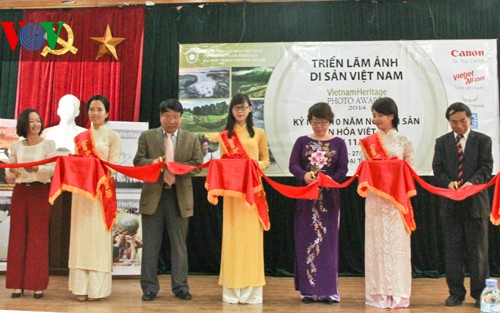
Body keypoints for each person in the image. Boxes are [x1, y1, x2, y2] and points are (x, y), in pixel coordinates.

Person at [133, 99, 202, 302]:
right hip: (154, 196)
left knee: (179, 246)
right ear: (160, 117)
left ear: (181, 118)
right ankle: (149, 287)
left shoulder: (191, 138)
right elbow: (138, 161)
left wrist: (177, 167)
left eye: (175, 116)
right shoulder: (148, 136)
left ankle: (180, 286)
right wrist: (153, 163)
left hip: (179, 196)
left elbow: (198, 165)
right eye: (167, 116)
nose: (171, 120)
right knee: (151, 246)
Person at [432, 102, 493, 308]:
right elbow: (437, 170)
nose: (458, 126)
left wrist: (471, 184)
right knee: (453, 252)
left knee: (478, 252)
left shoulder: (483, 140)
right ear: (449, 122)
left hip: (475, 204)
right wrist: (449, 184)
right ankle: (455, 293)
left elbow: (486, 167)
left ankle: (479, 294)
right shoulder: (442, 142)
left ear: (470, 119)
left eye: (462, 121)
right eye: (454, 122)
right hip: (451, 205)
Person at [289, 102, 348, 304]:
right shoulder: (301, 141)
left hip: (329, 200)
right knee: (306, 239)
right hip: (306, 198)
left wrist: (329, 181)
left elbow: (342, 170)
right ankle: (308, 290)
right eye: (315, 122)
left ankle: (329, 291)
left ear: (329, 121)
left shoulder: (339, 143)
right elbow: (293, 165)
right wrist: (305, 176)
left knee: (328, 243)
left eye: (322, 122)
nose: (319, 126)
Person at [360, 97, 414, 308]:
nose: (376, 120)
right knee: (376, 245)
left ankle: (398, 294)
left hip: (396, 203)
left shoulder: (403, 141)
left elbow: (410, 171)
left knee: (397, 246)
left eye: (380, 115)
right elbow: (363, 169)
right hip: (375, 201)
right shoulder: (368, 143)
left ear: (392, 115)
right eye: (374, 115)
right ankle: (378, 294)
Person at [216, 93, 270, 304]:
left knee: (251, 241)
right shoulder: (225, 136)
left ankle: (251, 291)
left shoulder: (259, 133)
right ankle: (232, 291)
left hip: (253, 191)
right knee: (232, 238)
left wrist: (257, 165)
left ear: (250, 109)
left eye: (243, 107)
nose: (239, 111)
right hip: (233, 194)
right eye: (236, 108)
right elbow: (223, 163)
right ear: (231, 111)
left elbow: (266, 160)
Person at [68, 95, 121, 301]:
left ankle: (97, 290)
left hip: (101, 194)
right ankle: (80, 288)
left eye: (99, 109)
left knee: (98, 241)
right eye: (92, 109)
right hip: (81, 196)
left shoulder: (112, 136)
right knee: (80, 239)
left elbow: (114, 167)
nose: (95, 113)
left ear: (107, 113)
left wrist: (96, 175)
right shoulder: (80, 138)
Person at [5, 108, 56, 299]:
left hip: (40, 191)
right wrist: (14, 173)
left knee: (38, 237)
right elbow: (10, 171)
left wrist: (37, 168)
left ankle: (37, 285)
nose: (36, 124)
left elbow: (51, 170)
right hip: (20, 192)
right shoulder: (17, 147)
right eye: (32, 121)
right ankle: (17, 285)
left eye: (38, 121)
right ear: (24, 124)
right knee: (17, 236)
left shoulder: (48, 144)